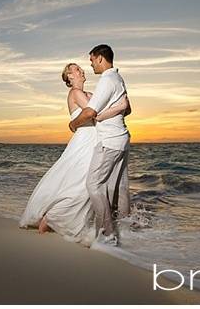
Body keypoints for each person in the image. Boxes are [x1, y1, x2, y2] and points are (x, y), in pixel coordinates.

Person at [18, 62, 130, 247]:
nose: (82, 70)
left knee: (87, 186)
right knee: (80, 185)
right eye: (76, 69)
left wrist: (120, 106)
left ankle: (83, 223)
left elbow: (102, 109)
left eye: (80, 68)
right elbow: (96, 112)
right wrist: (119, 106)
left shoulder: (90, 94)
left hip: (97, 140)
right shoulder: (75, 93)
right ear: (69, 76)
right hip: (84, 142)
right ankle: (50, 219)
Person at [69, 44, 130, 248]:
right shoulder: (118, 79)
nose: (91, 65)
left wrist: (73, 124)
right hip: (122, 139)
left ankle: (108, 234)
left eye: (92, 60)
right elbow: (126, 108)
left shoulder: (106, 80)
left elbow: (89, 113)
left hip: (110, 141)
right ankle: (128, 230)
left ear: (101, 59)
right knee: (118, 188)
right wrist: (113, 111)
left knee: (93, 185)